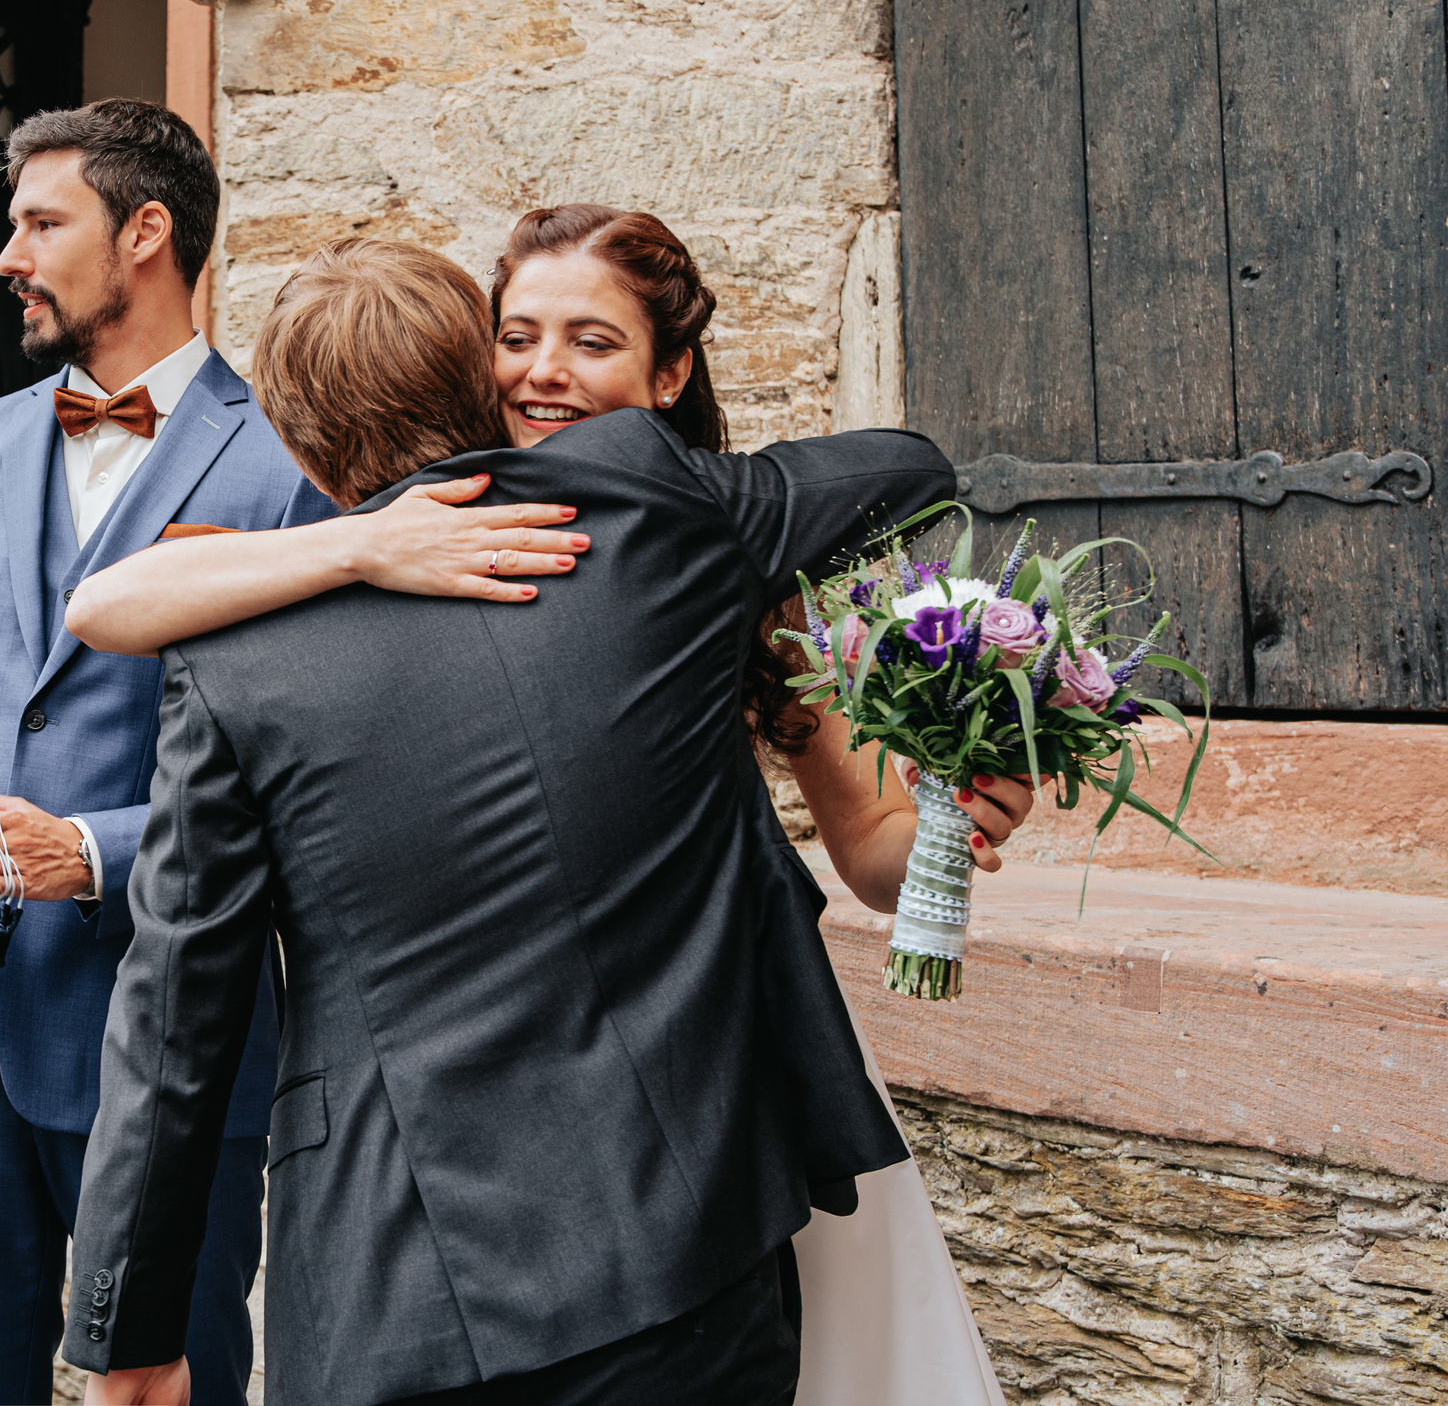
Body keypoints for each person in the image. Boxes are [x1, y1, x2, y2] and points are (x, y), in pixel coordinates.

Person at [69, 206, 1016, 1404]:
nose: (544, 372)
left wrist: (129, 1336)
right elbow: (909, 469)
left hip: (392, 1290)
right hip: (681, 1244)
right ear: (481, 376)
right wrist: (370, 544)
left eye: (587, 340)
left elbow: (172, 1028)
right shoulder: (667, 513)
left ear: (296, 446)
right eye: (518, 339)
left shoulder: (230, 660)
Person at [0, 98, 332, 1405]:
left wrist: (93, 852)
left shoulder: (289, 469)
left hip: (169, 1040)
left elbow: (311, 774)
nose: (8, 255)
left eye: (41, 223)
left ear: (145, 233)